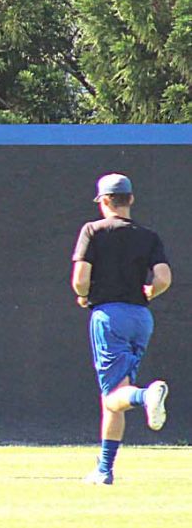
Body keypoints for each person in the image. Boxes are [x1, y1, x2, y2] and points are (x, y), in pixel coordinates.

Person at [72, 172, 171, 484]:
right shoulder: (148, 235)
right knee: (118, 395)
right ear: (130, 200)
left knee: (114, 395)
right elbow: (164, 278)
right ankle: (104, 470)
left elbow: (79, 279)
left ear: (103, 201)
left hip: (108, 316)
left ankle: (146, 396)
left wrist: (84, 296)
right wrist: (149, 291)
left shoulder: (93, 230)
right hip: (141, 318)